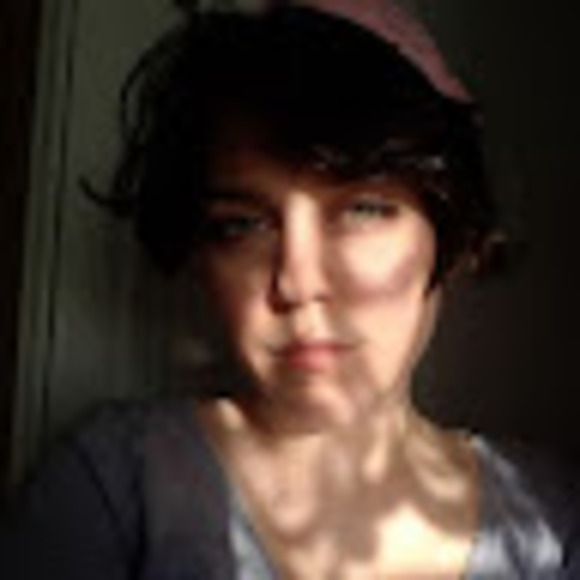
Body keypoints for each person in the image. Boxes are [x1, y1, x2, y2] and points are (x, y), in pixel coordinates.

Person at [2, 0, 579, 578]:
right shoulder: (116, 485)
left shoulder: (548, 519)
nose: (297, 284)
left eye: (362, 209)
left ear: (452, 236)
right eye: (243, 225)